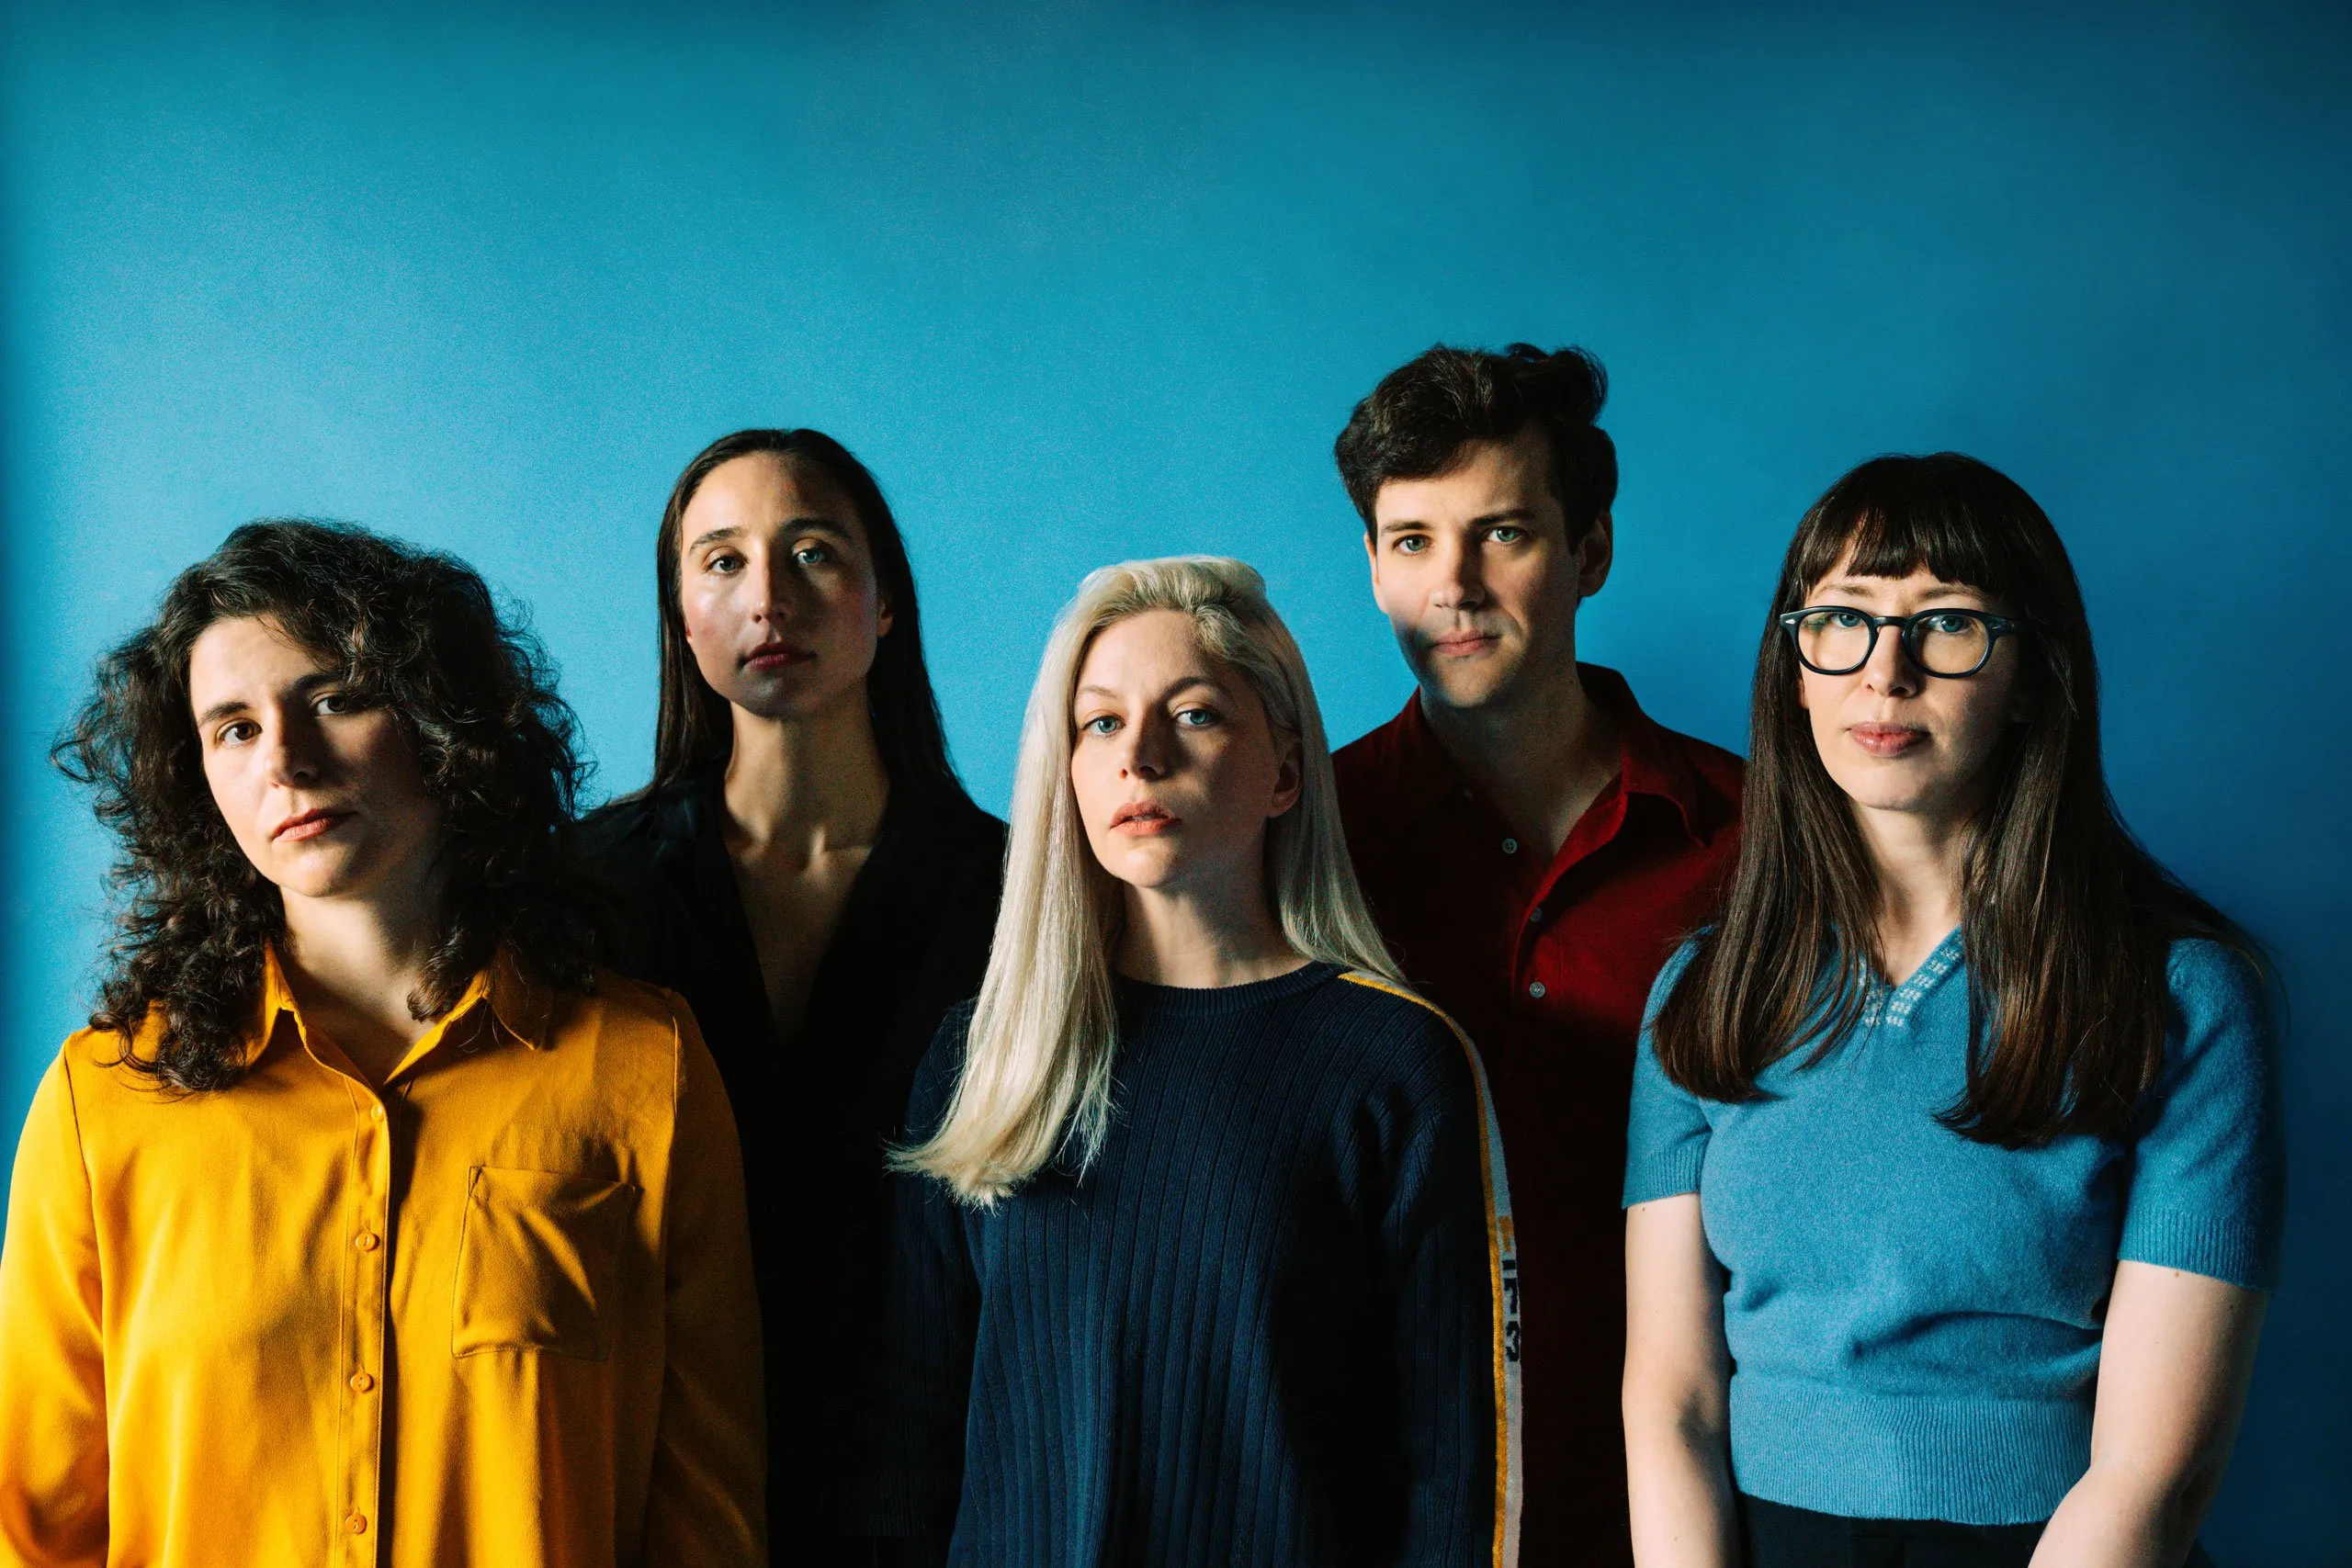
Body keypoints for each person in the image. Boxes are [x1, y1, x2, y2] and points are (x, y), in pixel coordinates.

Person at [0, 521, 764, 1566]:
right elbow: (33, 1532)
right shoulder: (102, 1103)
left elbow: (708, 1517)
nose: (285, 760)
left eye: (332, 698)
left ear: (440, 717)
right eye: (234, 728)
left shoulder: (643, 1067)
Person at [1621, 455, 2282, 1566]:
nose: (1885, 673)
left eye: (1948, 624)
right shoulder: (1702, 994)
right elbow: (1669, 1399)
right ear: (1794, 671)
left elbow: (2153, 1473)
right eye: (1843, 620)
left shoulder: (2180, 994)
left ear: (2029, 678)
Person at [850, 557, 1521, 1566]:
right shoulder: (980, 1056)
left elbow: (1455, 1472)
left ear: (1285, 772)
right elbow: (908, 1444)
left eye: (1195, 714)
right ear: (1066, 770)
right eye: (1100, 723)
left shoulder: (1396, 1065)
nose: (1140, 757)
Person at [1330, 343, 1743, 1563]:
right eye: (1412, 541)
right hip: (1376, 1490)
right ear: (1373, 567)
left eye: (1501, 533)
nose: (1453, 586)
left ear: (1591, 551)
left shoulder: (1758, 836)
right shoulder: (1303, 839)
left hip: (1691, 1494)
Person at [581, 429, 1005, 1562]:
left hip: (937, 1475)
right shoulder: (584, 891)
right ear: (681, 618)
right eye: (722, 561)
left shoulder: (1020, 894)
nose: (768, 596)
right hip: (655, 1471)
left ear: (885, 601)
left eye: (812, 551)